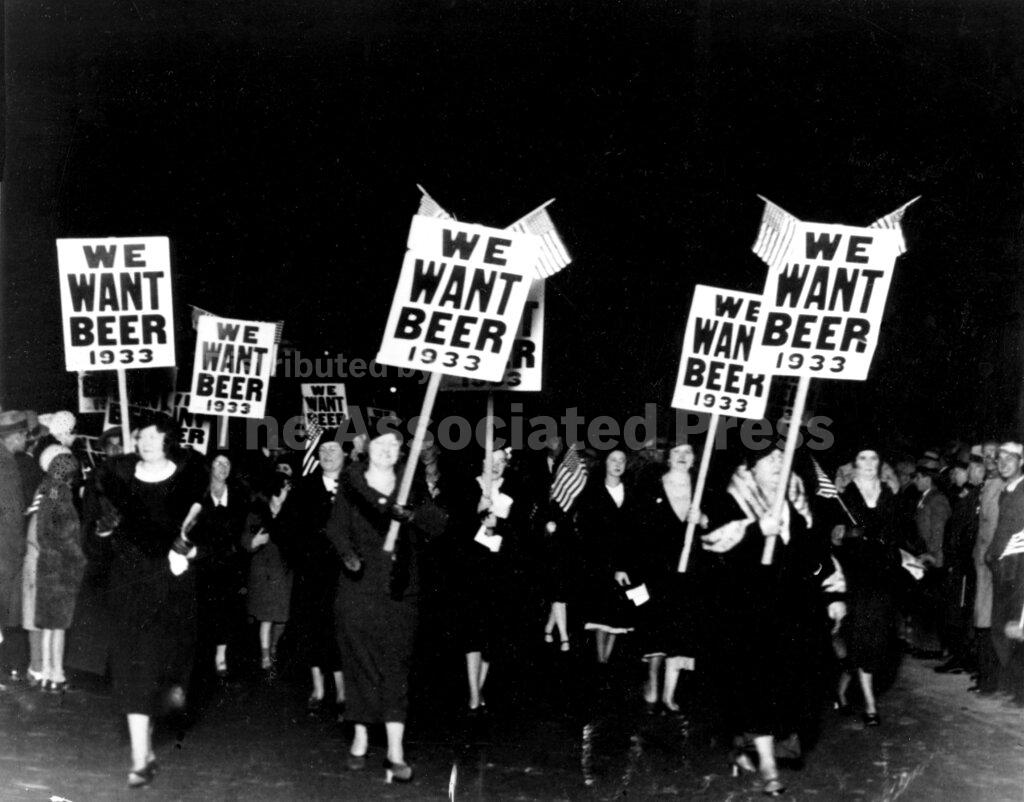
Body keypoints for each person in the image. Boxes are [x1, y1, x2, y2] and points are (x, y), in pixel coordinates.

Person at [701, 445, 845, 797]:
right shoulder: (731, 501)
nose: (779, 463)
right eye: (770, 459)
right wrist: (755, 529)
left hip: (793, 613)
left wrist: (833, 593)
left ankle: (749, 745)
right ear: (752, 467)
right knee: (759, 686)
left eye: (782, 458)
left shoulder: (796, 503)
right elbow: (711, 545)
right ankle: (767, 766)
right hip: (748, 615)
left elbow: (815, 555)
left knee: (791, 683)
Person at [90, 415, 206, 788]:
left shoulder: (188, 482)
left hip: (172, 593)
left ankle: (149, 737)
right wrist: (104, 532)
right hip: (130, 588)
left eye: (156, 436)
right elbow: (98, 544)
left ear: (169, 440)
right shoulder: (118, 482)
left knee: (162, 674)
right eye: (142, 436)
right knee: (132, 669)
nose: (147, 442)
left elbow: (212, 538)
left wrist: (189, 551)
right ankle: (140, 759)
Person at [326, 431, 446, 783]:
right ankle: (361, 736)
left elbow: (438, 524)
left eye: (394, 446)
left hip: (400, 587)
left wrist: (411, 515)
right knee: (360, 660)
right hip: (359, 585)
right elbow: (335, 528)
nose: (387, 451)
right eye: (381, 445)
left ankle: (395, 751)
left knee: (396, 664)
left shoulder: (411, 483)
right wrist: (348, 556)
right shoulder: (352, 483)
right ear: (368, 449)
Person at [832, 448, 903, 725]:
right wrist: (845, 534)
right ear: (854, 464)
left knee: (877, 640)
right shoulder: (844, 495)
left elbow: (897, 532)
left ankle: (842, 689)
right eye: (862, 458)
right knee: (861, 636)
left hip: (884, 576)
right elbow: (834, 535)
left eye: (874, 458)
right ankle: (870, 705)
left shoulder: (889, 493)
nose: (869, 463)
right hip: (855, 576)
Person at [635, 441, 706, 714]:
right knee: (654, 625)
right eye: (677, 452)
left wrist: (703, 519)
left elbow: (720, 525)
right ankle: (652, 683)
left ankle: (669, 693)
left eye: (688, 452)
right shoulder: (652, 486)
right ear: (668, 458)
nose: (682, 456)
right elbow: (637, 527)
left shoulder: (702, 488)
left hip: (689, 569)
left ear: (694, 458)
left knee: (680, 628)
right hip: (656, 570)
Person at [282, 437, 346, 715]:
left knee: (340, 630)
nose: (327, 454)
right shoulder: (304, 487)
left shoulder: (354, 487)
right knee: (312, 628)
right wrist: (302, 557)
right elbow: (286, 528)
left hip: (345, 575)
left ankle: (343, 691)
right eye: (322, 450)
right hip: (312, 575)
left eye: (333, 449)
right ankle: (318, 689)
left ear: (344, 455)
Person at [455, 448, 522, 713]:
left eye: (501, 461)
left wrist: (499, 526)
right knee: (472, 630)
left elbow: (522, 530)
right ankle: (473, 693)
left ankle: (480, 689)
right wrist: (477, 513)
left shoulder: (513, 489)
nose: (496, 465)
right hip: (472, 569)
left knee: (492, 633)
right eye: (491, 460)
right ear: (482, 461)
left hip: (500, 570)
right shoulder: (468, 487)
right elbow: (455, 527)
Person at [22, 453, 87, 693]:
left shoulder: (46, 491)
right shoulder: (60, 495)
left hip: (43, 565)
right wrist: (79, 558)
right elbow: (62, 533)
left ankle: (46, 673)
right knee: (58, 626)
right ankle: (55, 675)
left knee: (48, 625)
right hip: (58, 567)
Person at [578, 448, 638, 665]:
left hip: (625, 561)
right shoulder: (592, 492)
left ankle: (607, 661)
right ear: (605, 463)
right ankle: (599, 660)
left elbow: (636, 531)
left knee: (618, 614)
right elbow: (586, 530)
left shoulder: (632, 493)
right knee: (600, 612)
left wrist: (624, 562)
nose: (618, 464)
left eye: (622, 460)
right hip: (599, 562)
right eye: (613, 459)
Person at [192, 453, 249, 680]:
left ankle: (221, 656)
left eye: (227, 463)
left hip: (227, 565)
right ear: (211, 467)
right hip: (201, 565)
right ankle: (200, 655)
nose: (223, 467)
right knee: (201, 610)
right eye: (219, 463)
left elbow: (241, 533)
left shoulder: (238, 498)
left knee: (225, 611)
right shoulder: (199, 495)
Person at [242, 473, 293, 676]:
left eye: (289, 487)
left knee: (281, 618)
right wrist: (254, 542)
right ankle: (265, 656)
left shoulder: (291, 513)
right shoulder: (257, 513)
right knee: (266, 616)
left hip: (284, 571)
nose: (287, 491)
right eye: (285, 487)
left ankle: (273, 647)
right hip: (263, 571)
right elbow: (245, 540)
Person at [985, 441, 1024, 705]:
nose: (1003, 463)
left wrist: (991, 554)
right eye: (1000, 458)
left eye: (1010, 458)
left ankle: (1019, 691)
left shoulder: (1021, 491)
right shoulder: (1007, 490)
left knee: (1015, 626)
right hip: (1006, 567)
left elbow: (1009, 531)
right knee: (1003, 626)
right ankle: (1011, 685)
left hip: (1018, 568)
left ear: (1021, 462)